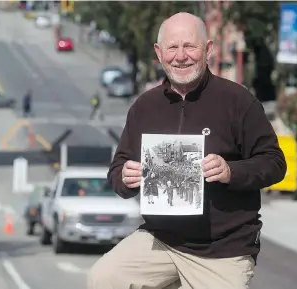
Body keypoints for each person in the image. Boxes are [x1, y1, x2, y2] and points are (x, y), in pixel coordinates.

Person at [87, 12, 286, 289]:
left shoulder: (239, 101)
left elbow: (275, 163)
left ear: (208, 49)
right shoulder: (144, 107)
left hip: (222, 248)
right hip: (161, 239)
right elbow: (116, 172)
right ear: (159, 53)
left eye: (190, 46)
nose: (181, 56)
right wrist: (125, 177)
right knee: (103, 279)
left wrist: (231, 171)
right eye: (172, 47)